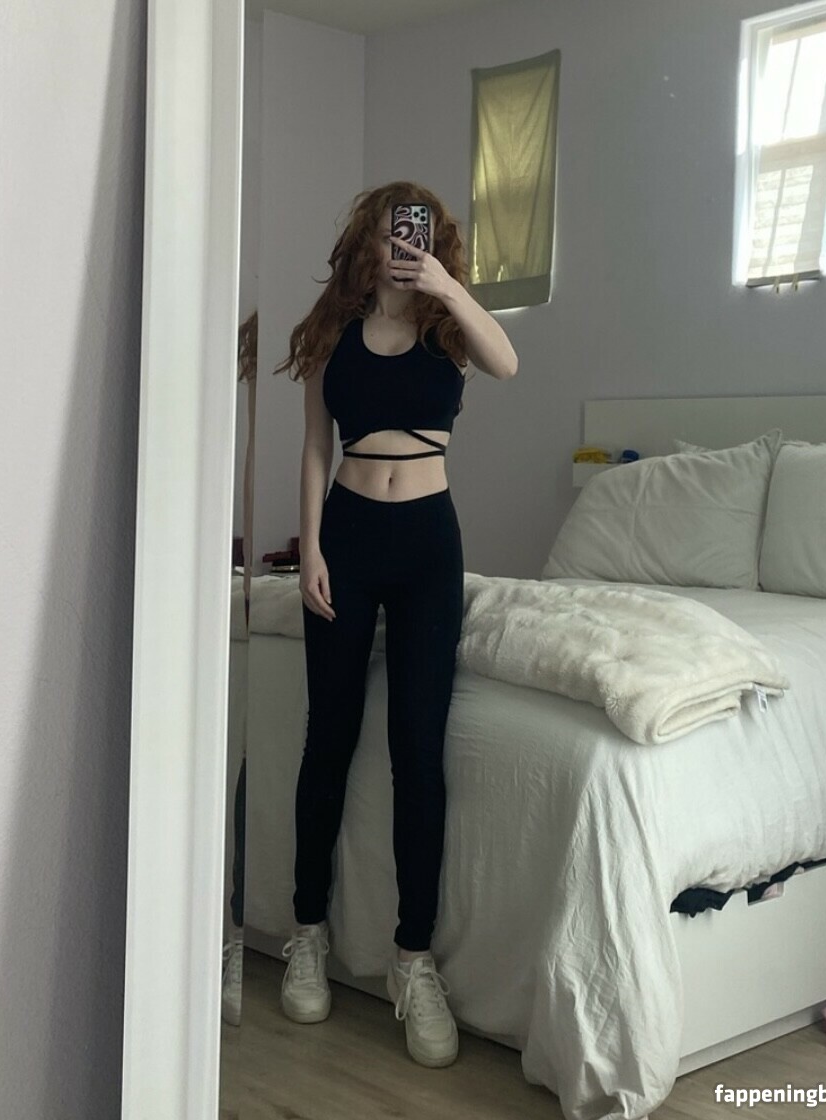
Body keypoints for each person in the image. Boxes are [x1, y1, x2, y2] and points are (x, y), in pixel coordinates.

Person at [272, 181, 518, 1068]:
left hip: (426, 546)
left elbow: (507, 364)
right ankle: (307, 933)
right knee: (328, 738)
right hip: (346, 535)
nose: (400, 245)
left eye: (416, 234)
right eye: (388, 232)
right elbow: (314, 446)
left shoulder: (450, 331)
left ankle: (413, 959)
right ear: (366, 241)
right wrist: (309, 549)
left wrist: (447, 287)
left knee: (417, 750)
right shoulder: (332, 333)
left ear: (433, 242)